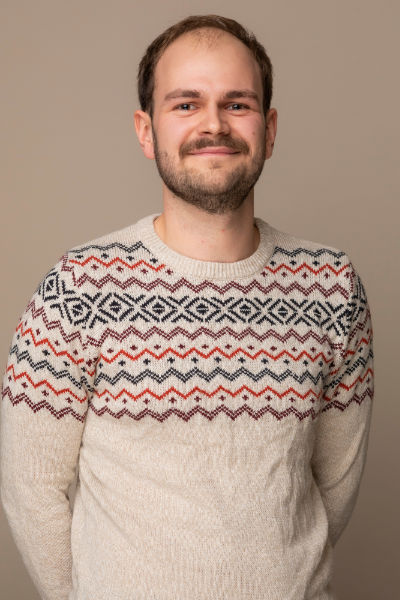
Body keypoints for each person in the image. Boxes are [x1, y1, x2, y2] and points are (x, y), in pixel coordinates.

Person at [0, 14, 374, 600]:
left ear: (270, 129)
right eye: (185, 104)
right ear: (146, 131)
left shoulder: (332, 287)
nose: (214, 124)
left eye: (237, 104)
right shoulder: (78, 288)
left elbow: (335, 485)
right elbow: (31, 486)